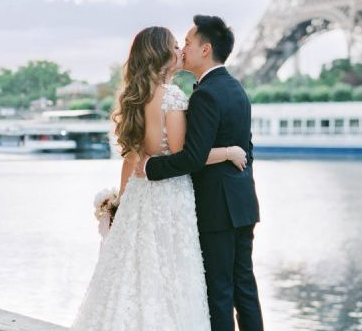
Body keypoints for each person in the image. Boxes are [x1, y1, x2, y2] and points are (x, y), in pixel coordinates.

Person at [70, 26, 248, 331]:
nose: (181, 49)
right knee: (170, 276)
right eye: (175, 45)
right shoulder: (173, 99)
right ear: (162, 55)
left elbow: (131, 160)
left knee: (133, 274)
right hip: (169, 196)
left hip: (141, 196)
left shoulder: (133, 98)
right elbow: (184, 158)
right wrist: (229, 151)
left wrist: (121, 202)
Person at [138, 15, 264, 331]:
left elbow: (192, 157)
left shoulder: (205, 94)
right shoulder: (237, 88)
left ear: (205, 49)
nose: (184, 49)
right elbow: (246, 148)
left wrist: (151, 167)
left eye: (189, 43)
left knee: (219, 291)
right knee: (244, 287)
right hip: (242, 201)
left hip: (216, 207)